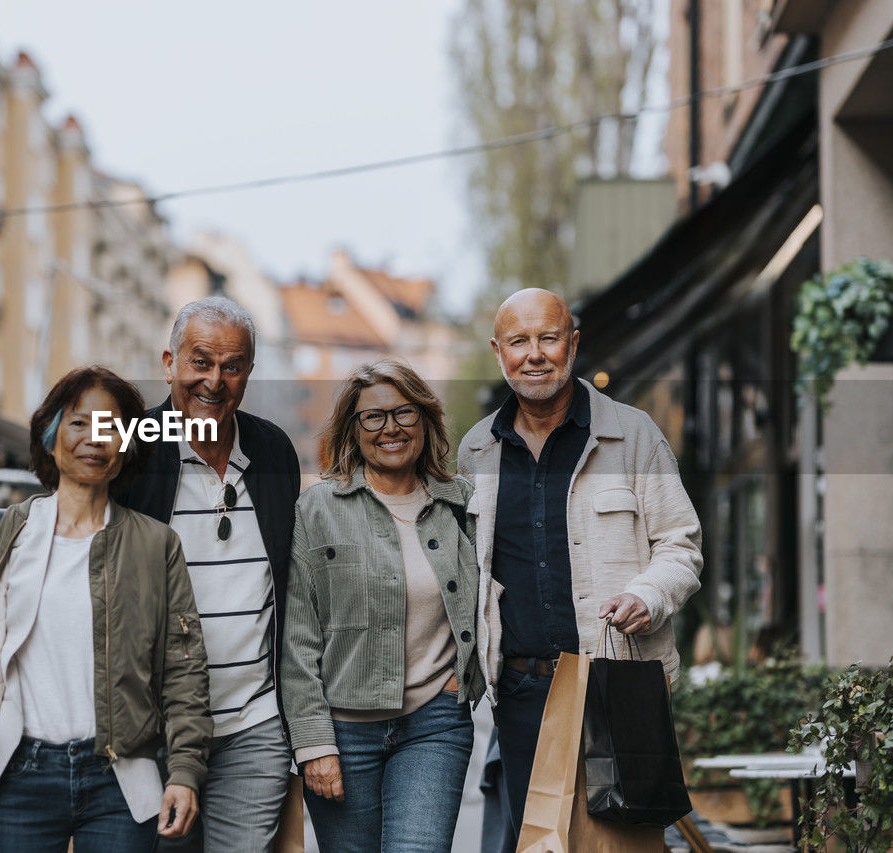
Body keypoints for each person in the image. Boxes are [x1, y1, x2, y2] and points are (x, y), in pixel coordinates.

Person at [0, 367, 211, 851]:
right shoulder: (7, 531)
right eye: (78, 423)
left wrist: (184, 770)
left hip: (121, 781)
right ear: (51, 438)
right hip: (20, 774)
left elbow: (184, 671)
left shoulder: (157, 545)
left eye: (111, 426)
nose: (94, 439)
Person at [457, 288, 703, 847]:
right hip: (522, 691)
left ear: (572, 343)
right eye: (520, 341)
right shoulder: (477, 452)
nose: (535, 354)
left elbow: (681, 545)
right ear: (500, 352)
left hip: (618, 684)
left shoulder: (634, 435)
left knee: (624, 841)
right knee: (542, 842)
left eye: (548, 337)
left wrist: (649, 594)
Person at [120, 296, 300, 852]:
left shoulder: (273, 450)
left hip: (254, 722)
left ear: (248, 372)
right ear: (169, 363)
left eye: (232, 366)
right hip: (154, 728)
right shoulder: (133, 449)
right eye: (201, 362)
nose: (214, 381)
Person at [282, 359, 484, 853]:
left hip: (434, 725)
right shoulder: (317, 509)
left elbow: (499, 593)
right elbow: (298, 636)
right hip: (344, 732)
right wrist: (314, 745)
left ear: (425, 419)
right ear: (354, 429)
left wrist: (469, 672)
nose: (390, 428)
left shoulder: (462, 503)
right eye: (373, 417)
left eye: (404, 413)